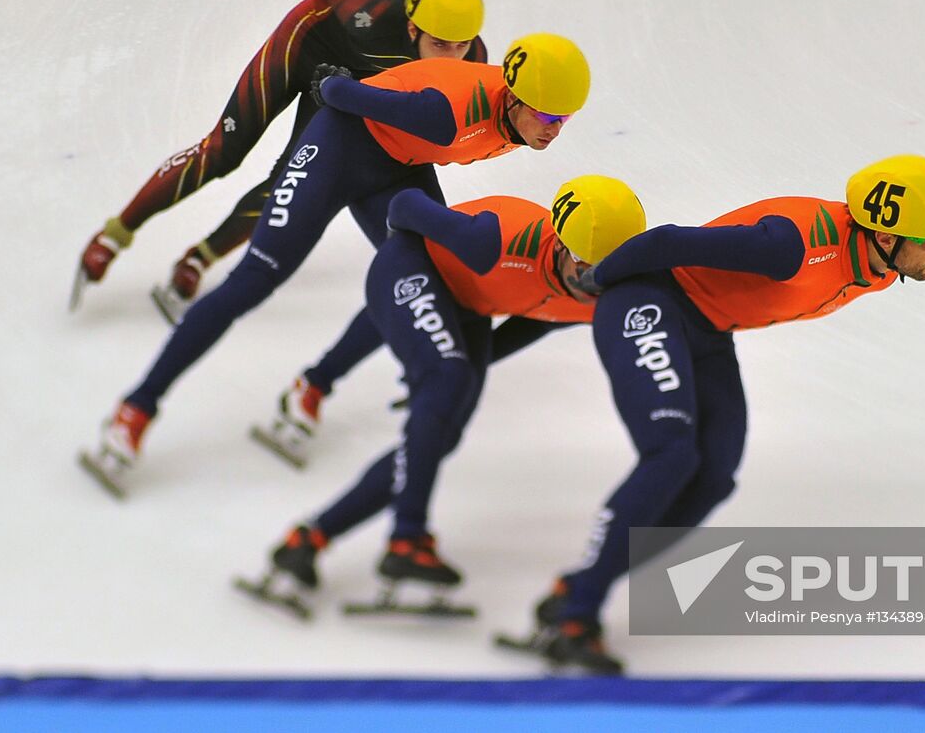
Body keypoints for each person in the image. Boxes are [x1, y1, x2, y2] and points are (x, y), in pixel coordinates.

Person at [76, 33, 592, 499]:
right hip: (338, 147)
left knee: (424, 277)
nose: (555, 132)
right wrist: (333, 82)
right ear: (516, 98)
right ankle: (136, 408)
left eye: (565, 120)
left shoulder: (513, 114)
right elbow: (342, 94)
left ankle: (313, 385)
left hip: (398, 167)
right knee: (257, 278)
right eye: (548, 118)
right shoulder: (450, 111)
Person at [512, 155, 925, 674]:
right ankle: (577, 615)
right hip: (648, 302)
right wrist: (600, 280)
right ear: (886, 236)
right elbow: (666, 243)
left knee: (713, 477)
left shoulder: (881, 266)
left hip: (706, 329)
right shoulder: (792, 245)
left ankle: (578, 586)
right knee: (671, 453)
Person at [236, 176, 647, 616]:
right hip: (411, 266)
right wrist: (438, 365)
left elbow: (541, 316)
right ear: (562, 246)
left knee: (438, 437)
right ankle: (406, 539)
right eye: (586, 269)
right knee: (447, 378)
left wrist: (471, 366)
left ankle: (307, 540)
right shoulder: (498, 239)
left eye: (608, 274)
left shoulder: (602, 293)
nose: (594, 284)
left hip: (468, 308)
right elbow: (405, 203)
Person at [73, 0, 488, 320]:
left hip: (342, 85)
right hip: (305, 44)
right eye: (438, 44)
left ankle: (199, 259)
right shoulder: (370, 14)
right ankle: (114, 234)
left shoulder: (473, 61)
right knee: (224, 150)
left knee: (291, 179)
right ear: (413, 26)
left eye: (460, 45)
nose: (450, 58)